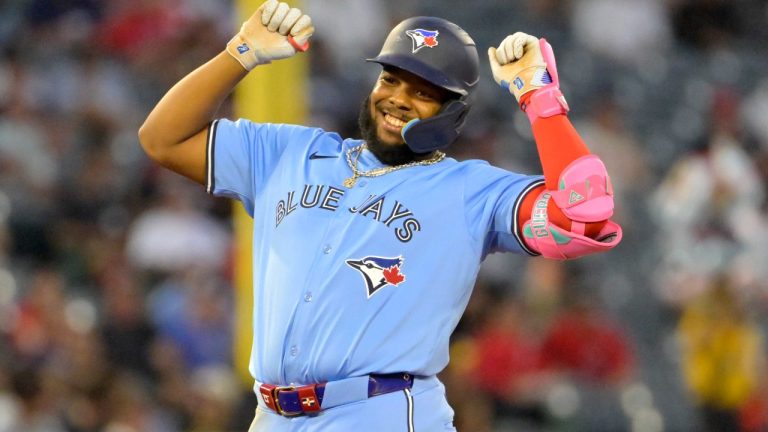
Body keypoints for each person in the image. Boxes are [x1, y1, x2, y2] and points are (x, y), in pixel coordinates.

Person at [138, 0, 622, 430]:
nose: (398, 98)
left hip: (379, 412)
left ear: (452, 113)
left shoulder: (471, 191)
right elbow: (162, 138)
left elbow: (584, 217)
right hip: (273, 414)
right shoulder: (289, 152)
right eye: (391, 78)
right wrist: (239, 53)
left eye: (423, 92)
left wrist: (540, 100)